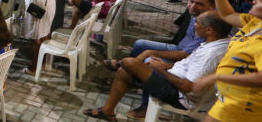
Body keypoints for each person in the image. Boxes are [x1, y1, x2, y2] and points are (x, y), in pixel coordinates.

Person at [82, 11, 232, 122]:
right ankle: (108, 111)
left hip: (180, 96)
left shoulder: (212, 54)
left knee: (130, 63)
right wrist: (166, 66)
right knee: (124, 71)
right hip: (175, 79)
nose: (194, 25)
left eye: (197, 23)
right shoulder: (217, 42)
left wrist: (161, 70)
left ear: (209, 30)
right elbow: (189, 67)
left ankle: (122, 64)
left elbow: (188, 87)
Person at [107, 0, 216, 118]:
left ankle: (145, 104)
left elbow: (185, 55)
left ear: (212, 6)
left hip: (182, 59)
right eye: (191, 1)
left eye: (199, 4)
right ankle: (129, 73)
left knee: (148, 60)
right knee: (140, 45)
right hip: (180, 51)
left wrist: (153, 55)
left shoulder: (208, 25)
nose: (193, 6)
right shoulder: (195, 14)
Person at [194, 0, 262, 121]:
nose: (255, 1)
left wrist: (217, 76)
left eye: (260, 0)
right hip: (230, 99)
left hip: (245, 106)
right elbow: (227, 14)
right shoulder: (255, 23)